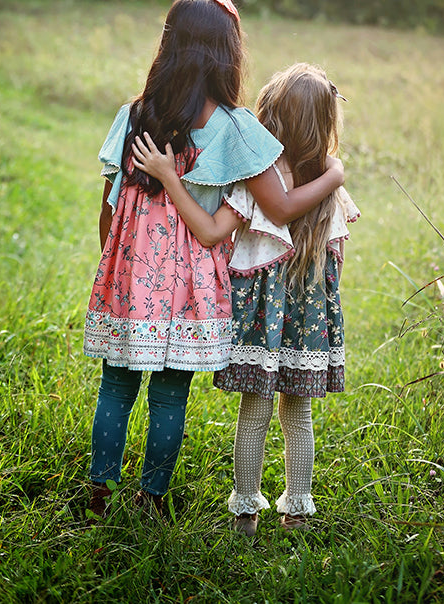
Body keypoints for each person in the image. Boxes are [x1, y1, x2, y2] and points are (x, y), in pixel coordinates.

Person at [83, 0, 345, 519]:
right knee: (169, 394)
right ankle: (153, 497)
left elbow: (108, 208)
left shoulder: (134, 116)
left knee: (115, 384)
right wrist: (336, 173)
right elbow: (278, 204)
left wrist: (116, 263)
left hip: (128, 273)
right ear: (228, 54)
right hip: (188, 286)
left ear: (169, 46)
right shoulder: (234, 127)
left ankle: (100, 491)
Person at [133, 62, 359, 535]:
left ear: (270, 117)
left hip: (261, 316)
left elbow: (218, 232)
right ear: (324, 125)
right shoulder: (329, 186)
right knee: (299, 415)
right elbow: (335, 263)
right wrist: (335, 175)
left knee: (253, 413)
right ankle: (297, 508)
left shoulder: (258, 175)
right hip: (307, 321)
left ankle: (245, 514)